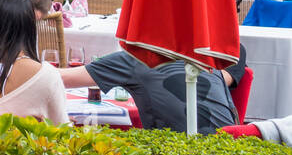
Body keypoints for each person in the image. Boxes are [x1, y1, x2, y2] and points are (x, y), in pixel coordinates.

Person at [59, 47, 246, 135]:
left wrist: (29, 63)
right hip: (233, 150)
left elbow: (60, 78)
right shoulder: (209, 56)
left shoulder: (133, 59)